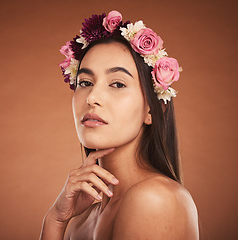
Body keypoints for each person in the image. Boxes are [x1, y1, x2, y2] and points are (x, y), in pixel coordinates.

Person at [40, 10, 199, 240]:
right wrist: (55, 220)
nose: (92, 97)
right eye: (85, 82)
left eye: (117, 84)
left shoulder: (156, 200)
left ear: (152, 110)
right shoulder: (79, 221)